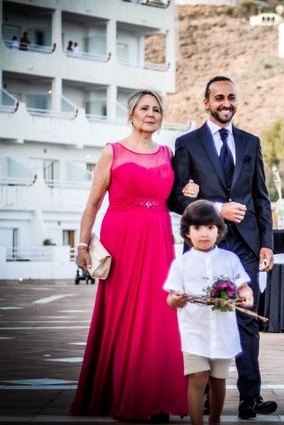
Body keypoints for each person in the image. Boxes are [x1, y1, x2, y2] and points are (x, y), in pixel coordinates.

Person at [71, 90, 198, 421]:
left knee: (158, 314)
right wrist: (82, 245)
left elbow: (176, 198)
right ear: (131, 114)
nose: (151, 114)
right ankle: (117, 394)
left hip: (158, 238)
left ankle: (155, 396)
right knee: (121, 314)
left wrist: (190, 192)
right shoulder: (111, 151)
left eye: (156, 109)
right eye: (144, 108)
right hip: (121, 238)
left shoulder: (167, 154)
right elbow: (94, 203)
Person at [168, 76, 276, 420]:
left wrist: (266, 244)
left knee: (245, 317)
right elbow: (175, 199)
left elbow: (261, 197)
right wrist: (216, 207)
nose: (226, 103)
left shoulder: (250, 142)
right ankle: (200, 398)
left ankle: (251, 398)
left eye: (231, 97)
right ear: (206, 102)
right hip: (202, 247)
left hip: (245, 244)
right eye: (219, 97)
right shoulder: (186, 143)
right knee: (201, 315)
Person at [165, 200, 254, 425]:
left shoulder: (230, 259)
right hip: (194, 330)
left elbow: (244, 286)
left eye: (210, 227)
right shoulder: (181, 264)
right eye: (197, 228)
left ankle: (214, 420)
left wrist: (246, 295)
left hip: (223, 332)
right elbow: (170, 298)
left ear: (219, 230)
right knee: (197, 377)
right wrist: (176, 300)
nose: (204, 234)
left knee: (217, 380)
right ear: (187, 232)